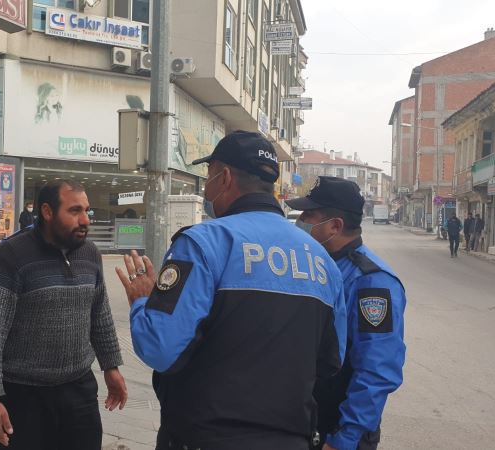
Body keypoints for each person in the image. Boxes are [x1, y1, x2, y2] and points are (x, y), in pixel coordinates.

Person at [116, 131, 347, 449]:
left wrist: (143, 300)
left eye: (208, 176)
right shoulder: (323, 261)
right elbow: (330, 362)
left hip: (205, 436)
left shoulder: (202, 243)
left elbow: (160, 348)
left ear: (223, 177)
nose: (207, 187)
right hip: (291, 438)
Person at [0, 180, 128, 449]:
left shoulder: (90, 254)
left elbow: (100, 315)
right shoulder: (11, 256)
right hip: (23, 398)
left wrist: (111, 367)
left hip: (79, 393)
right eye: (74, 211)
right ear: (47, 211)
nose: (84, 220)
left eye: (86, 211)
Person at [286, 177, 407, 450]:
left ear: (335, 226)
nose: (300, 220)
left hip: (337, 431)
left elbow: (376, 371)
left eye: (309, 215)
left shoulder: (372, 282)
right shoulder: (312, 266)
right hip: (301, 423)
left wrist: (345, 438)